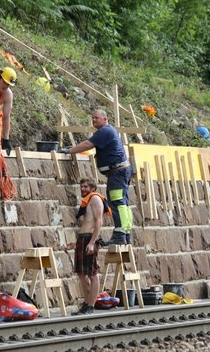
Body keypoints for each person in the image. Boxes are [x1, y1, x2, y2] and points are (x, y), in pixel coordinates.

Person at [60, 109, 133, 245]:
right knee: (123, 203)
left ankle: (120, 234)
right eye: (92, 118)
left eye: (97, 118)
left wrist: (70, 150)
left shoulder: (105, 131)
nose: (94, 120)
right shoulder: (108, 131)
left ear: (105, 119)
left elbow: (88, 144)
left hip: (117, 173)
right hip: (120, 172)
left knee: (117, 202)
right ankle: (126, 233)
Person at [68, 178, 105, 315]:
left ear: (93, 188)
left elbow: (98, 221)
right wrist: (77, 242)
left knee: (92, 273)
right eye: (81, 186)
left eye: (85, 187)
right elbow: (87, 223)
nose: (82, 189)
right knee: (81, 273)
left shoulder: (95, 199)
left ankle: (91, 304)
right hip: (83, 239)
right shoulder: (88, 200)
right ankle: (87, 302)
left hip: (89, 238)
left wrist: (92, 242)